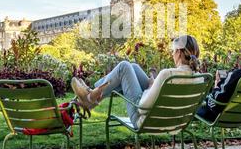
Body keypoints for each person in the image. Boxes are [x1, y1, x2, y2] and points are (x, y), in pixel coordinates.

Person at [71, 35, 203, 129]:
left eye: (173, 51)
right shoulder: (201, 78)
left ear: (179, 53)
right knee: (133, 67)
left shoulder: (168, 75)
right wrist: (154, 86)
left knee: (124, 67)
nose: (172, 55)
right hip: (176, 123)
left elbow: (143, 106)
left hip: (146, 121)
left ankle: (89, 98)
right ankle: (90, 97)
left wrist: (151, 87)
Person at [197, 37, 241, 122]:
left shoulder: (238, 75)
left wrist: (216, 86)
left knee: (196, 107)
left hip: (224, 117)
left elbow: (218, 102)